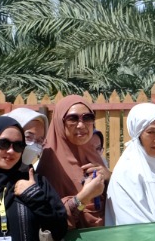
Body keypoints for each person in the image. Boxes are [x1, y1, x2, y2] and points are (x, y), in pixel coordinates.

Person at [37, 95, 109, 228]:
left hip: (105, 236)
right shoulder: (51, 164)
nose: (81, 125)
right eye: (72, 119)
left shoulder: (93, 155)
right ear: (60, 122)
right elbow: (50, 218)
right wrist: (84, 197)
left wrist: (109, 177)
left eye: (87, 118)